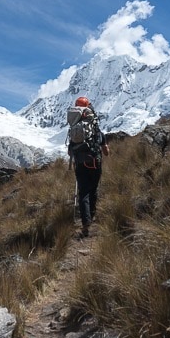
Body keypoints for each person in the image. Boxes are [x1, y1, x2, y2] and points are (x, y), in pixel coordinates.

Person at [67, 96, 110, 237]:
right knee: (93, 189)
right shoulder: (96, 130)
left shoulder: (73, 130)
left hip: (80, 164)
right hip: (95, 162)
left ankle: (86, 222)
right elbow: (106, 152)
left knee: (83, 192)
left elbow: (70, 150)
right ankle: (92, 215)